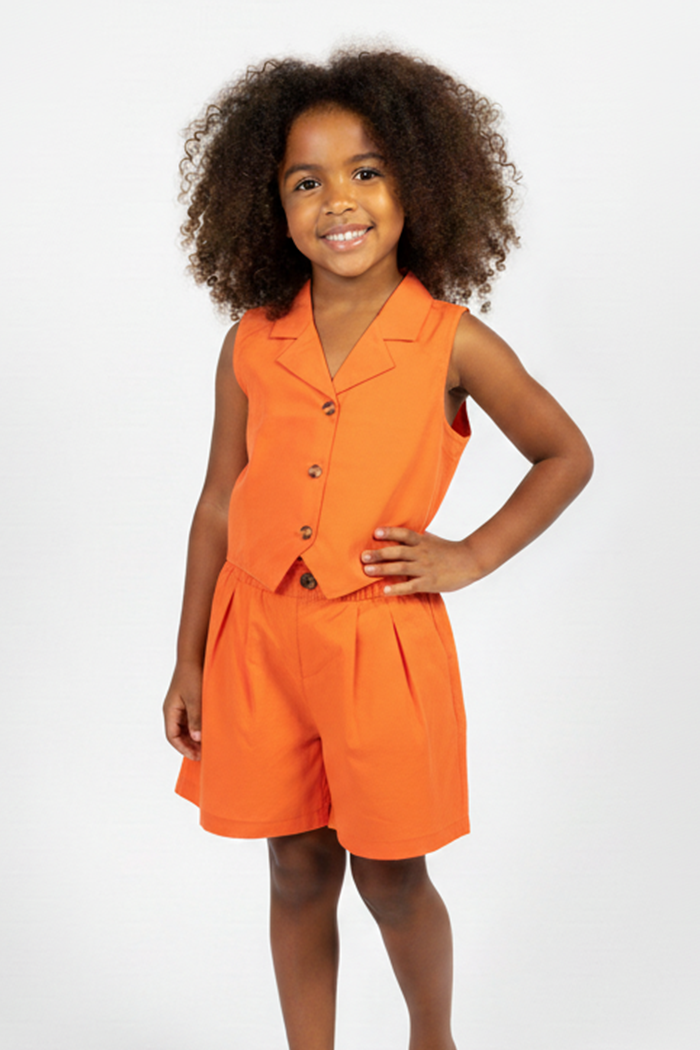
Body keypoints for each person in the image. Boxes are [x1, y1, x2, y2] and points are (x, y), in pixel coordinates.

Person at [162, 48, 593, 1050]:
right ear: (269, 207)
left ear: (418, 183)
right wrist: (188, 658)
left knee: (392, 874)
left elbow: (565, 454)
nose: (338, 201)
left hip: (380, 643)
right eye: (305, 182)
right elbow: (219, 502)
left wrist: (471, 555)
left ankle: (431, 1039)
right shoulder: (251, 341)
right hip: (256, 639)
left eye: (366, 171)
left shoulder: (450, 340)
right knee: (294, 866)